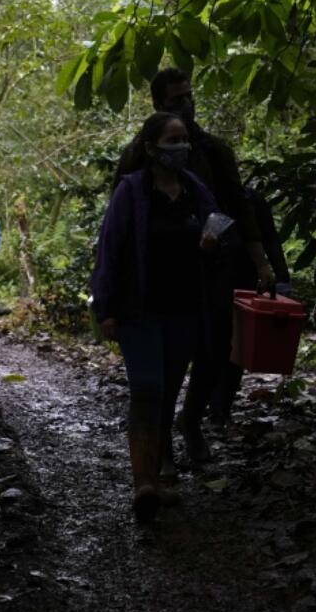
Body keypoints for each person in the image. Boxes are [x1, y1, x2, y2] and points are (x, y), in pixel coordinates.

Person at [114, 68, 276, 462]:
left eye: (189, 96)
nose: (186, 105)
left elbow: (239, 205)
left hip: (217, 264)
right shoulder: (139, 153)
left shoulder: (213, 150)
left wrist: (261, 262)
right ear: (158, 104)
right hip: (165, 269)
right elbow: (119, 219)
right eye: (176, 100)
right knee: (170, 357)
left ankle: (192, 418)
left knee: (217, 349)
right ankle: (164, 440)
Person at [92, 112, 220, 522]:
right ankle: (143, 481)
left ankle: (159, 477)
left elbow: (217, 238)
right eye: (172, 140)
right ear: (151, 148)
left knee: (165, 393)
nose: (181, 146)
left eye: (184, 139)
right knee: (146, 389)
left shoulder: (196, 191)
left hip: (183, 310)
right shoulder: (131, 192)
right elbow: (110, 249)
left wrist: (211, 244)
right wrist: (106, 308)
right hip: (139, 308)